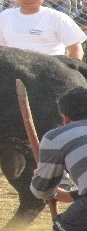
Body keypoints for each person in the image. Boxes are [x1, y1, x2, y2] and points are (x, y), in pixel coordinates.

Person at [30, 86, 87, 231]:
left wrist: (47, 189)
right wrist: (68, 195)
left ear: (65, 118)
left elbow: (42, 190)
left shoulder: (56, 137)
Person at [0, 0, 86, 60]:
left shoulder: (58, 18)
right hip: (13, 71)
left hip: (51, 72)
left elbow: (75, 49)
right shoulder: (4, 17)